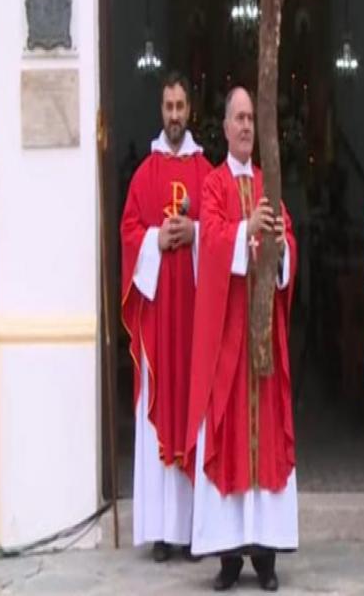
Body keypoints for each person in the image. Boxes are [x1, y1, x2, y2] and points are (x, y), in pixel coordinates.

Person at [184, 86, 298, 592]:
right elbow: (208, 239)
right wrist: (241, 230)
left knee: (266, 439)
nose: (247, 126)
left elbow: (289, 240)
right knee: (230, 438)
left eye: (252, 118)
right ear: (225, 128)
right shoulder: (212, 185)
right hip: (230, 341)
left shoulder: (269, 182)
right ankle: (230, 555)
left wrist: (279, 247)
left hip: (264, 341)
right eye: (239, 118)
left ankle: (266, 555)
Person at [120, 71, 212, 561]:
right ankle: (161, 530)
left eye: (180, 106)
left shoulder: (206, 172)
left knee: (193, 411)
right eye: (168, 107)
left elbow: (222, 231)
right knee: (159, 415)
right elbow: (128, 232)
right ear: (161, 110)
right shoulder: (144, 175)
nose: (174, 115)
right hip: (158, 326)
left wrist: (195, 233)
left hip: (194, 321)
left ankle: (195, 529)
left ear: (190, 110)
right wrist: (156, 239)